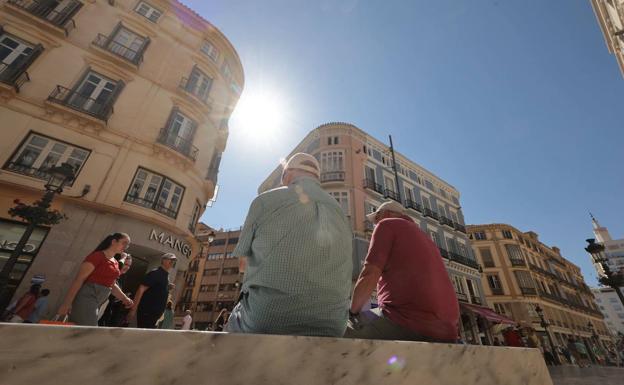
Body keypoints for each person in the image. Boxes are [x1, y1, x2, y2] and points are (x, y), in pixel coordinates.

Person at [225, 153, 353, 337]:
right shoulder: (340, 211)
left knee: (231, 323)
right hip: (333, 326)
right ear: (317, 178)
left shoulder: (264, 201)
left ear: (288, 174)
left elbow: (243, 265)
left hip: (266, 319)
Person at [344, 200, 459, 343]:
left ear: (386, 214)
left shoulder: (386, 224)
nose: (375, 224)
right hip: (447, 330)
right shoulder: (427, 239)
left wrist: (352, 312)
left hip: (404, 319)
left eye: (376, 219)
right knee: (369, 316)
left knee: (340, 328)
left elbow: (370, 274)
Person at [58, 233, 134, 326]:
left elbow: (112, 284)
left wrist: (124, 298)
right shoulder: (97, 256)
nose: (126, 247)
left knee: (80, 333)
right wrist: (66, 303)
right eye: (124, 243)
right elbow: (79, 279)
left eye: (128, 245)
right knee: (89, 331)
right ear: (114, 241)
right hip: (87, 297)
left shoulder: (115, 263)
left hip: (99, 301)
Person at [128, 253, 176, 328]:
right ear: (163, 260)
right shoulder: (155, 273)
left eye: (174, 261)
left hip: (155, 315)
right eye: (171, 260)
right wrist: (133, 310)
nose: (172, 262)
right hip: (147, 313)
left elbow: (157, 289)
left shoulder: (165, 275)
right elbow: (141, 289)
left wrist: (167, 287)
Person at [99, 253, 133, 327]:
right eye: (126, 264)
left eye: (129, 266)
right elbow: (112, 287)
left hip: (108, 314)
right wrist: (125, 298)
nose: (127, 267)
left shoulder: (121, 278)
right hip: (99, 311)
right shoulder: (111, 274)